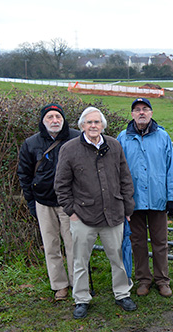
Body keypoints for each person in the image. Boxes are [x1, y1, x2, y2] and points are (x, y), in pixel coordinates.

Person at [54, 107, 137, 319]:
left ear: (103, 125)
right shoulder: (69, 149)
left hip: (114, 214)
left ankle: (122, 293)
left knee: (117, 258)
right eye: (89, 122)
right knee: (80, 261)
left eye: (97, 122)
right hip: (83, 215)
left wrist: (128, 208)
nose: (93, 126)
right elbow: (61, 185)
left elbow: (125, 179)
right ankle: (81, 298)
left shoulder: (114, 145)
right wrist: (71, 211)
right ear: (82, 125)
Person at [117, 98, 173, 298]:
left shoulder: (162, 136)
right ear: (132, 114)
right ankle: (143, 279)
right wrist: (121, 198)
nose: (141, 113)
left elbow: (171, 168)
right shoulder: (123, 138)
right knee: (137, 242)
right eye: (137, 110)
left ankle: (162, 280)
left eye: (145, 109)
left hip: (157, 198)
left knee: (160, 242)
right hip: (133, 200)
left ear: (151, 113)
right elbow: (117, 170)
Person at [17, 103, 81, 301]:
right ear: (43, 121)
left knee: (74, 245)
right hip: (43, 202)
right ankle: (59, 285)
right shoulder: (31, 143)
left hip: (70, 203)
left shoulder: (77, 137)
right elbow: (24, 174)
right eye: (50, 118)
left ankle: (78, 283)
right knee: (51, 246)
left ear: (63, 119)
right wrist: (31, 202)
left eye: (58, 117)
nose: (55, 121)